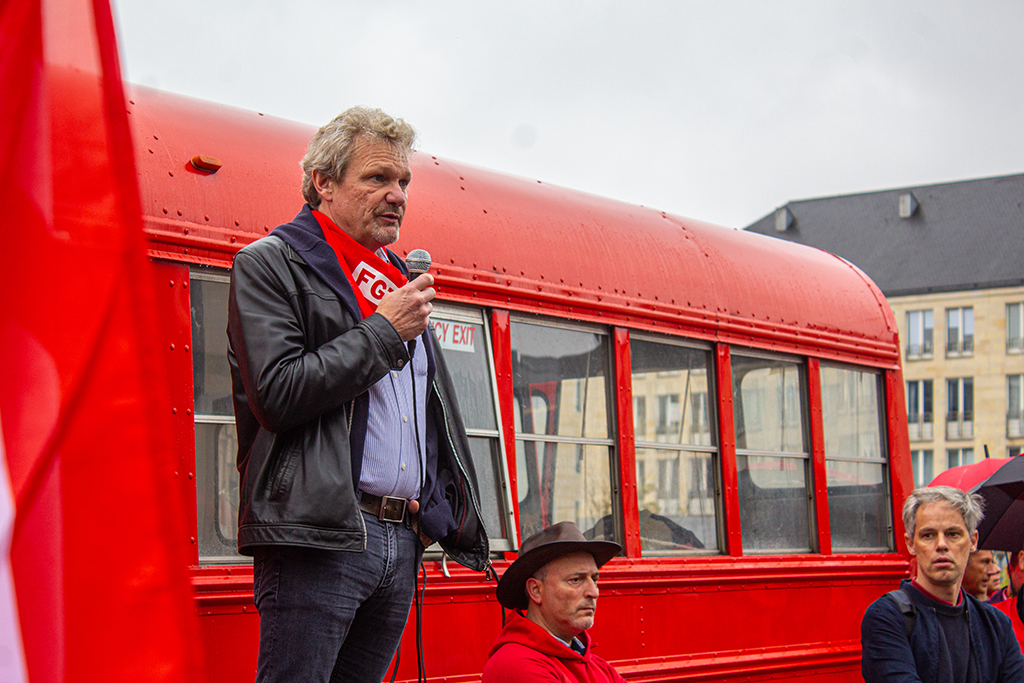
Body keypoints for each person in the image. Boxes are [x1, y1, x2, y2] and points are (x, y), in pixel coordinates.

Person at [227, 106, 489, 683]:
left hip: (401, 538)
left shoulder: (397, 281)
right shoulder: (271, 264)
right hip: (319, 538)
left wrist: (430, 517)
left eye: (404, 182)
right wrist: (381, 332)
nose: (396, 195)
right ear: (323, 181)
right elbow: (277, 393)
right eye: (377, 178)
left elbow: (427, 415)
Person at [861, 486, 1024, 682]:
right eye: (928, 535)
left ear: (973, 541)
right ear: (910, 543)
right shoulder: (887, 617)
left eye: (953, 534)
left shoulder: (996, 624)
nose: (941, 544)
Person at [483, 522, 625, 683]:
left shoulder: (598, 666)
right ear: (536, 590)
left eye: (594, 579)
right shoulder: (518, 665)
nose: (594, 592)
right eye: (576, 580)